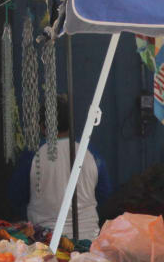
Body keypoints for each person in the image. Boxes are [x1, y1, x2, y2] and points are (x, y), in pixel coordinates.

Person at [10, 95, 112, 241]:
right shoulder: (91, 152)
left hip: (45, 240)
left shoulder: (32, 154)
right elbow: (104, 193)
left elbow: (16, 196)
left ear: (43, 127)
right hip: (89, 237)